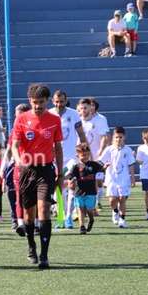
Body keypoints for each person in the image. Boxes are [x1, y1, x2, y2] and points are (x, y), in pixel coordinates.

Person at [12, 83, 63, 269]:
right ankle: (31, 245)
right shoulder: (21, 119)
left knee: (44, 209)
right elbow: (15, 145)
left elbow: (58, 148)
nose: (38, 106)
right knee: (28, 214)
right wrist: (19, 161)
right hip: (27, 171)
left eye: (41, 102)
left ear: (47, 101)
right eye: (34, 102)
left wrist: (60, 173)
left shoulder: (54, 120)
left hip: (46, 170)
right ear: (29, 100)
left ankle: (44, 255)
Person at [48, 90, 86, 229]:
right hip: (54, 158)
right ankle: (60, 217)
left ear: (66, 100)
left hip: (71, 157)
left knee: (71, 185)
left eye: (62, 101)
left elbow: (81, 134)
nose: (59, 104)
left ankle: (68, 216)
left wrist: (85, 153)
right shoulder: (48, 114)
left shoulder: (74, 114)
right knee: (58, 188)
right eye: (57, 101)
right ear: (53, 101)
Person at [0, 103, 31, 234]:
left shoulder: (34, 127)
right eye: (16, 116)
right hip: (16, 167)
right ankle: (16, 220)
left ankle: (34, 222)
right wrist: (2, 169)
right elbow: (8, 151)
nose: (17, 119)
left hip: (34, 166)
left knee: (31, 196)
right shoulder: (14, 130)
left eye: (19, 116)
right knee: (14, 194)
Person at [99, 126, 136, 229]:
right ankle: (115, 211)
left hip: (123, 179)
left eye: (120, 137)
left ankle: (122, 220)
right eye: (116, 137)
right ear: (113, 137)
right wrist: (104, 167)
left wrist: (133, 178)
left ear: (124, 137)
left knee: (122, 198)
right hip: (111, 179)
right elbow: (101, 162)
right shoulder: (109, 149)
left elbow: (131, 165)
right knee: (112, 200)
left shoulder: (128, 150)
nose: (118, 139)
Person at [68, 144, 104, 234]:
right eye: (82, 155)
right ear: (77, 155)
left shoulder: (94, 165)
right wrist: (69, 179)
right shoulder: (76, 166)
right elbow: (70, 176)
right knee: (80, 208)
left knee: (89, 210)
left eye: (87, 154)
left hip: (91, 192)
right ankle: (82, 226)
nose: (85, 157)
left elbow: (101, 171)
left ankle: (91, 219)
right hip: (79, 191)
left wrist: (104, 170)